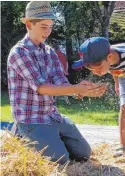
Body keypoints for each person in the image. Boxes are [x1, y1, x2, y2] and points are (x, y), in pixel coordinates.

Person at [7, 1, 107, 164]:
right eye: (44, 27)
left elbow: (61, 82)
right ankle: (20, 132)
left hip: (51, 115)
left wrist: (82, 90)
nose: (48, 32)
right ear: (29, 24)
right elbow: (42, 88)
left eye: (51, 27)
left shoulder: (49, 53)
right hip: (30, 118)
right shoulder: (19, 53)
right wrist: (75, 88)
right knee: (60, 160)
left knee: (84, 154)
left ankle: (47, 137)